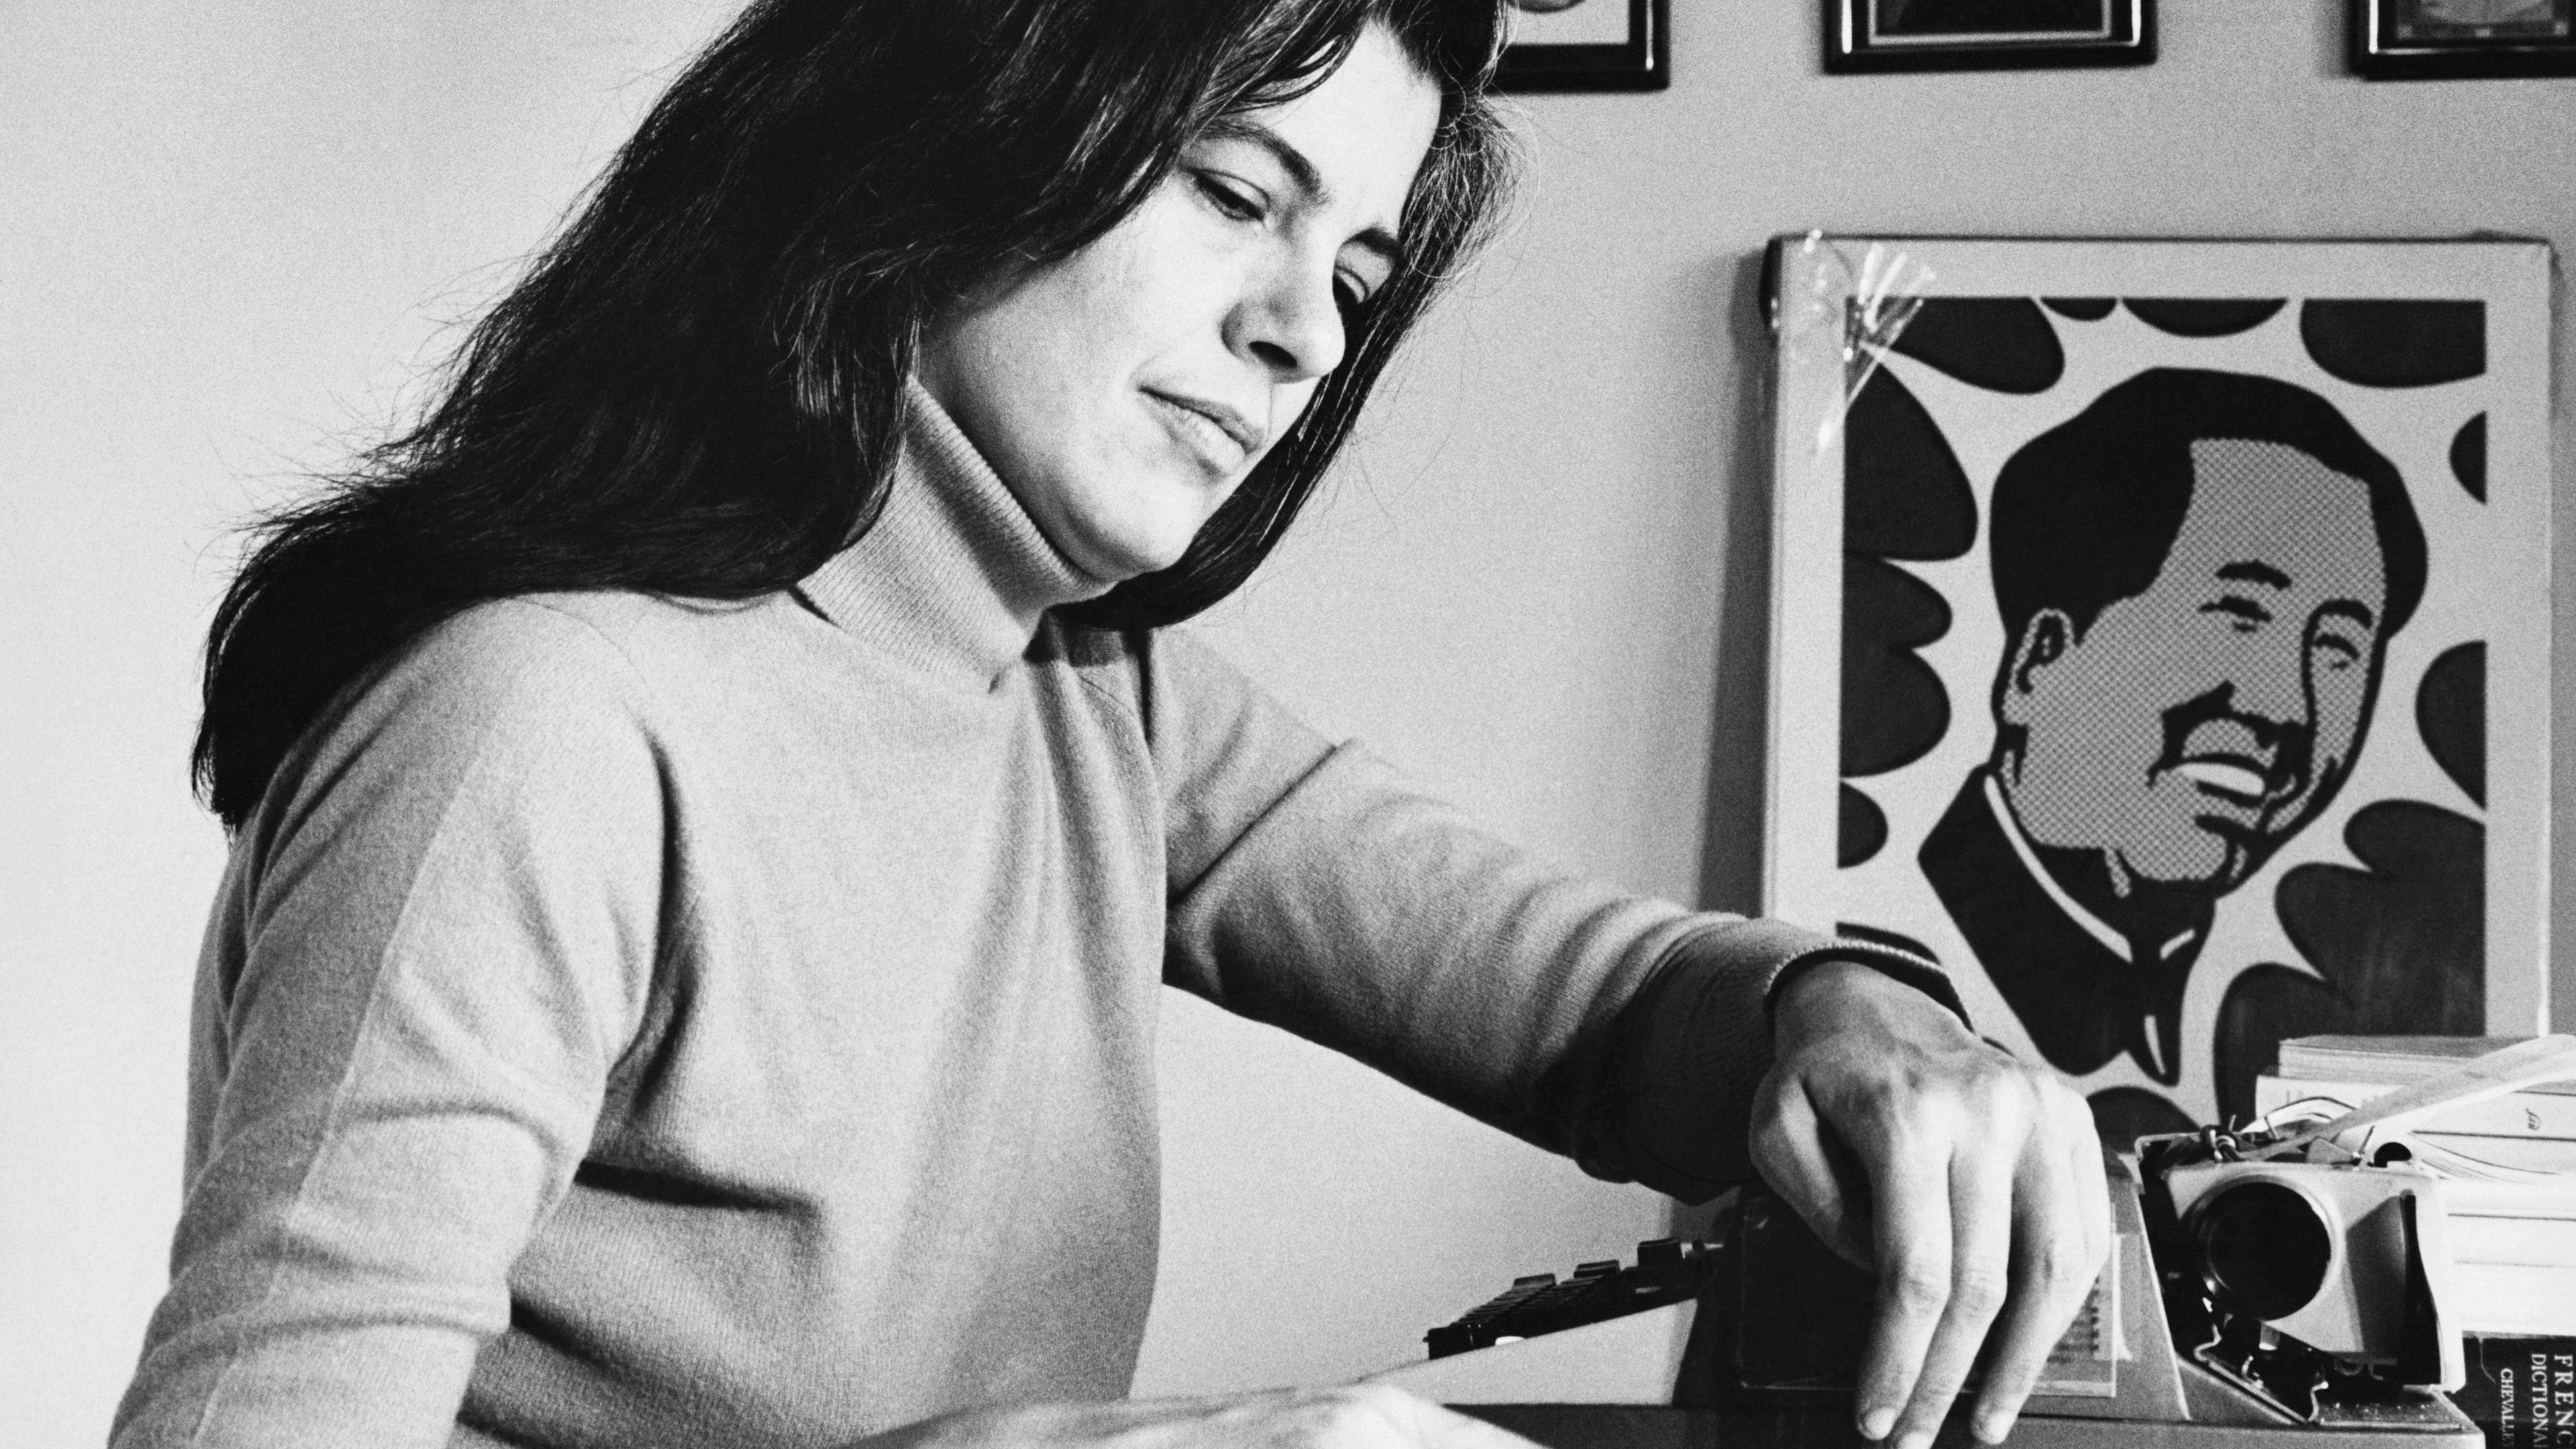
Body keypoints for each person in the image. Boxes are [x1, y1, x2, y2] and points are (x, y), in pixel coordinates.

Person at [115, 3, 2108, 1447]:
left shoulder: (1090, 699)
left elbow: (1609, 1012)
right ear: (953, 125)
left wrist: (1855, 1024)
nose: (1305, 334)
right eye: (1238, 192)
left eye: (1352, 269)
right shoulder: (532, 727)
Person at [1917, 368, 2426, 1115]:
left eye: (2337, 650)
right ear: (2040, 661)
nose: (2288, 708)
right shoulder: (1879, 982)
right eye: (2240, 613)